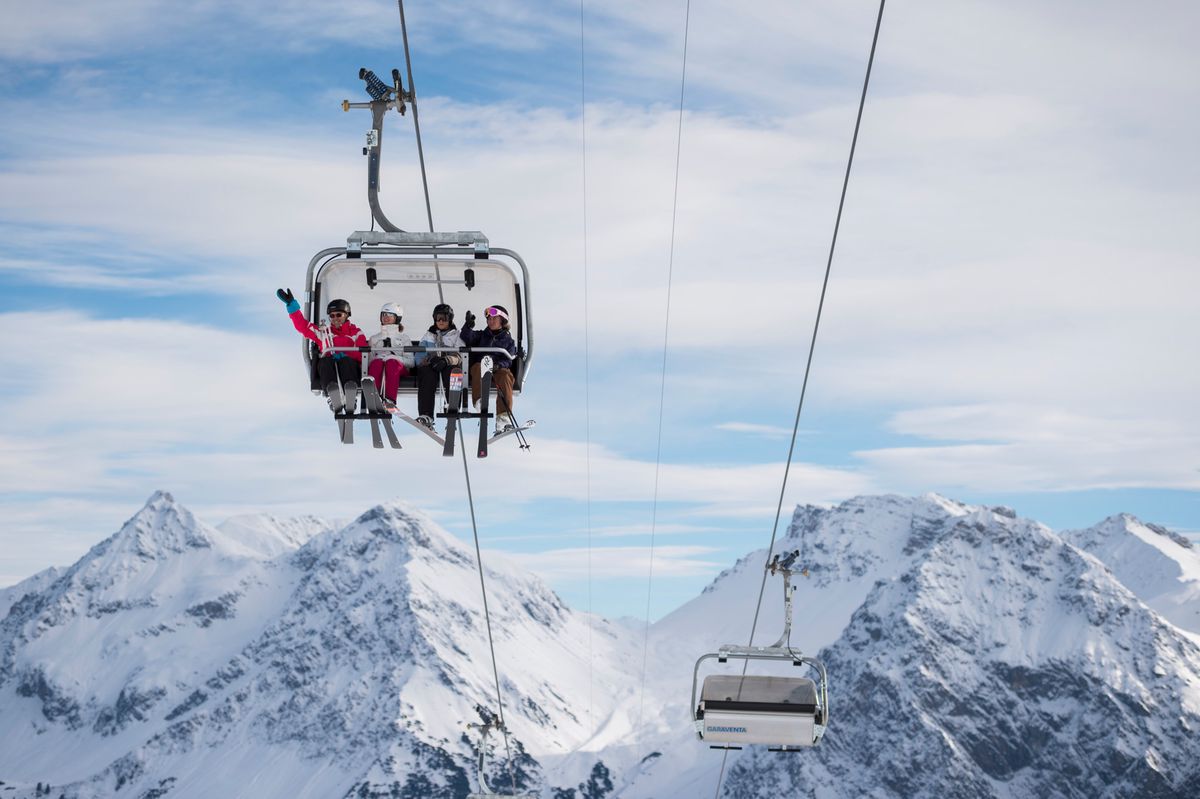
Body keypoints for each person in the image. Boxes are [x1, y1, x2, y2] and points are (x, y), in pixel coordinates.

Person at [276, 289, 367, 414]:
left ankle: (350, 392)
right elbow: (303, 326)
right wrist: (292, 307)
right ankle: (332, 393)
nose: (335, 319)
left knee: (346, 361)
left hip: (349, 366)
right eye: (332, 316)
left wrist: (345, 355)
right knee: (324, 362)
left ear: (347, 315)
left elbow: (362, 352)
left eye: (339, 315)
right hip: (330, 365)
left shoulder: (356, 332)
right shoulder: (323, 333)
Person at [459, 304, 518, 432]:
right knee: (478, 367)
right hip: (481, 367)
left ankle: (503, 418)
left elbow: (508, 360)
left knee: (506, 376)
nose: (490, 321)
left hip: (497, 369)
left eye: (494, 319)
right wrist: (468, 325)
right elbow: (466, 337)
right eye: (489, 319)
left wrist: (498, 365)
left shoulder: (509, 341)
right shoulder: (481, 335)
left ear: (502, 320)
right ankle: (480, 402)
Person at [414, 303, 463, 428]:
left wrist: (446, 360)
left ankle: (453, 407)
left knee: (453, 371)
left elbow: (461, 356)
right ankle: (426, 414)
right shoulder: (429, 335)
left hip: (448, 364)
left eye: (444, 318)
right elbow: (419, 356)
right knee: (426, 374)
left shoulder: (456, 335)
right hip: (432, 365)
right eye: (438, 318)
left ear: (450, 319)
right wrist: (429, 360)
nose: (440, 321)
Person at [366, 302, 413, 409]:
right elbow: (368, 361)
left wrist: (394, 357)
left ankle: (390, 400)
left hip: (398, 369)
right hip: (379, 368)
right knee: (376, 363)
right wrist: (378, 358)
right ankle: (374, 398)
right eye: (384, 315)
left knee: (391, 363)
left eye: (390, 315)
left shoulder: (404, 338)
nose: (386, 317)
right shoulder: (374, 338)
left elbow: (411, 362)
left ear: (397, 318)